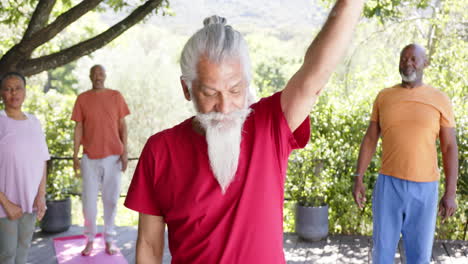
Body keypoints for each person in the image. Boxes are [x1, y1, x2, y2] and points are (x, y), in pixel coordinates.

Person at [124, 1, 364, 263]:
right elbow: (148, 243)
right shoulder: (160, 150)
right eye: (209, 93)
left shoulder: (270, 124)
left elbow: (316, 74)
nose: (225, 107)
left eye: (235, 90)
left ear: (247, 83)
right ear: (186, 89)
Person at [352, 44, 459, 263]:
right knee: (382, 253)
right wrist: (358, 177)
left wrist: (450, 192)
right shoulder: (384, 97)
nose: (407, 63)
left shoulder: (440, 99)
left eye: (413, 59)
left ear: (425, 63)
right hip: (388, 186)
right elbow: (370, 138)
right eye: (403, 58)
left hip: (425, 188)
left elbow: (449, 148)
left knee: (419, 257)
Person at [71, 65, 130, 256]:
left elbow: (123, 126)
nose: (98, 76)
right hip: (89, 158)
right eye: (95, 74)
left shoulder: (116, 96)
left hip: (113, 157)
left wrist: (125, 151)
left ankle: (110, 239)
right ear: (90, 77)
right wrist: (75, 154)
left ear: (105, 75)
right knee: (88, 202)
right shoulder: (82, 99)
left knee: (111, 200)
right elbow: (79, 127)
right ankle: (89, 240)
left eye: (101, 73)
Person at [0, 72, 50, 264]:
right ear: (1, 93)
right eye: (8, 88)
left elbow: (42, 160)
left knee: (23, 253)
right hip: (5, 205)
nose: (14, 93)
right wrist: (6, 203)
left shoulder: (34, 122)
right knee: (7, 255)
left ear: (25, 92)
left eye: (18, 88)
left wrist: (40, 195)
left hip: (30, 202)